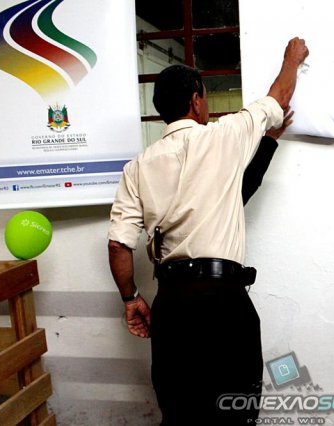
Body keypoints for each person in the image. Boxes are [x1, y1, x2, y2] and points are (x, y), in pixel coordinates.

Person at [107, 38, 308, 425]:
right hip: (224, 303)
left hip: (172, 307)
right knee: (234, 414)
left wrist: (131, 298)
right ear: (197, 100)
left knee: (181, 416)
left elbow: (118, 245)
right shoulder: (223, 136)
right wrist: (292, 58)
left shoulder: (138, 167)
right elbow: (279, 98)